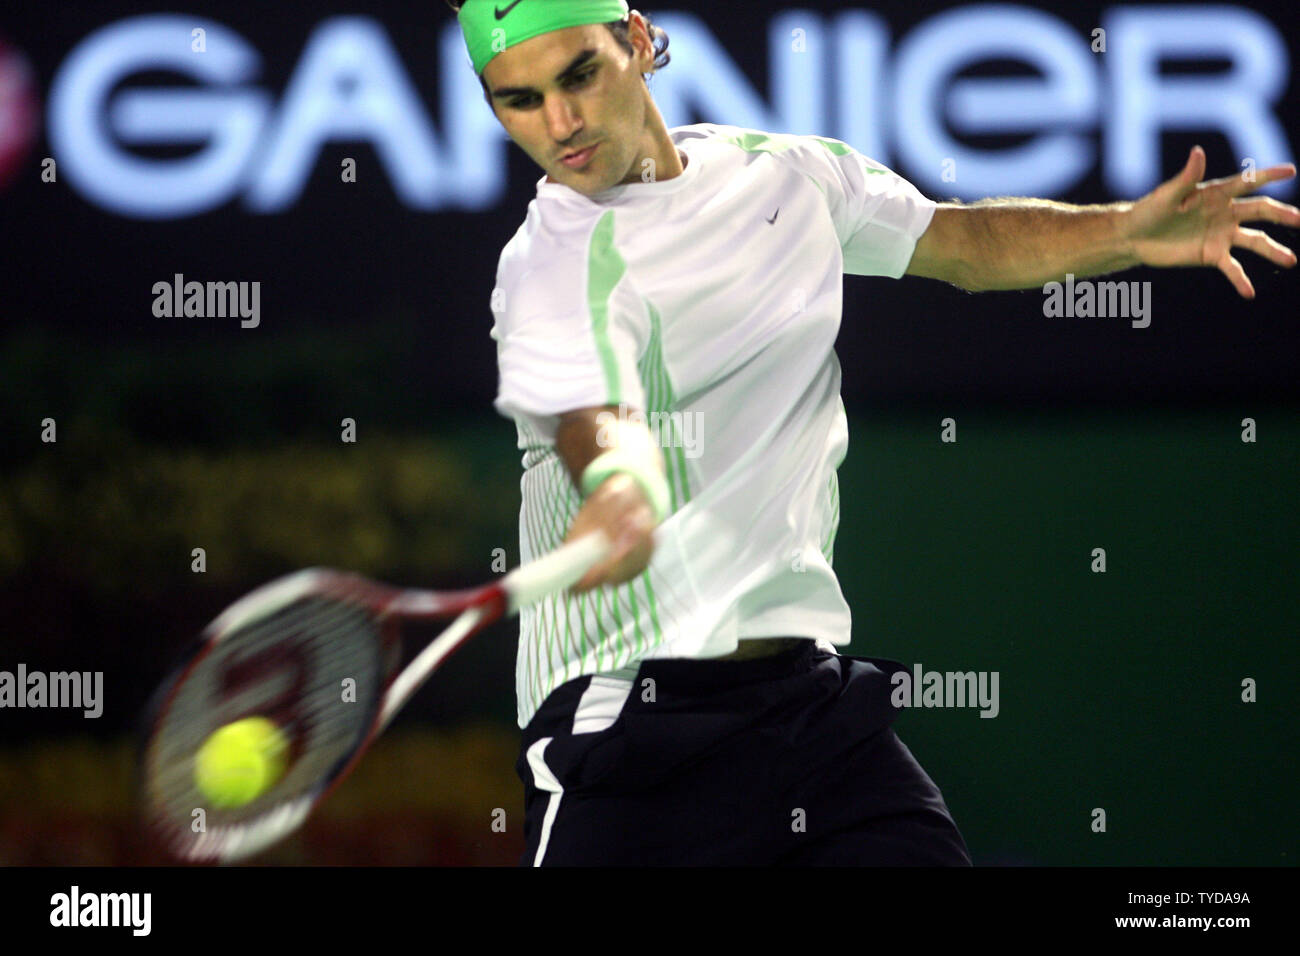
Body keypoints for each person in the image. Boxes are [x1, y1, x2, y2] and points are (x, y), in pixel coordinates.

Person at [448, 0, 1298, 865]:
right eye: (518, 101)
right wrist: (619, 489)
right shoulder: (548, 266)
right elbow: (593, 420)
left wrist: (1121, 232)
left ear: (635, 41)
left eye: (580, 75)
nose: (560, 124)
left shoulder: (783, 177)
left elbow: (963, 241)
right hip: (629, 727)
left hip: (809, 710)